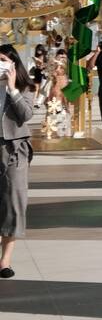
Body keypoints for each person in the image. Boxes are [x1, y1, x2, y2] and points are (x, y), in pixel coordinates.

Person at [0, 45, 35, 278]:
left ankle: (5, 261)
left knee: (14, 202)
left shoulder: (26, 87)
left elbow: (26, 115)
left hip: (14, 149)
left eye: (2, 59)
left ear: (13, 63)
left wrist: (12, 89)